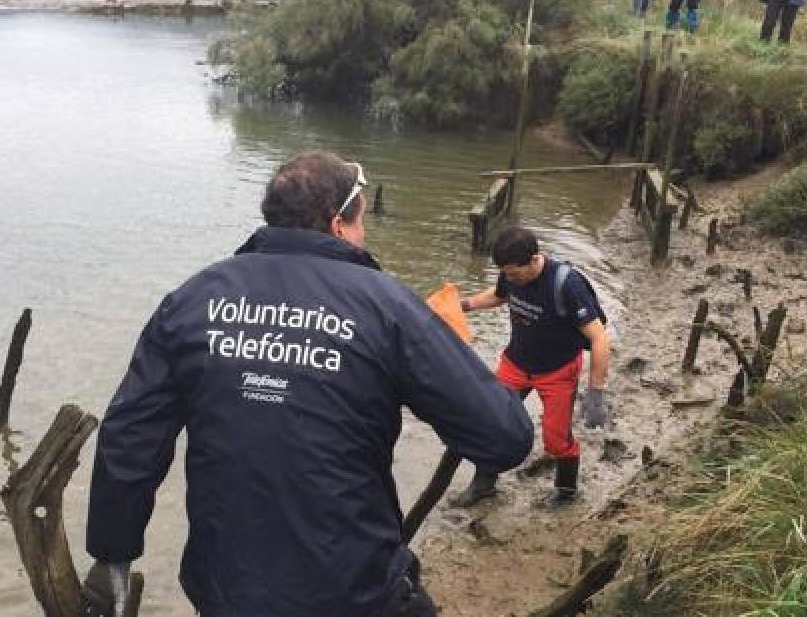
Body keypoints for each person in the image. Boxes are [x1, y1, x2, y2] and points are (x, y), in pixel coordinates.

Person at [85, 152, 534, 617]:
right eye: (362, 222)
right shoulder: (388, 307)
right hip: (354, 591)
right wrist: (447, 344)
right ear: (340, 225)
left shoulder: (194, 298)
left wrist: (112, 555)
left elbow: (130, 435)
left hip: (224, 590)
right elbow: (504, 437)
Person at [451, 227, 611, 509]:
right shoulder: (510, 272)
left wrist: (596, 392)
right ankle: (484, 484)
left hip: (557, 371)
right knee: (492, 420)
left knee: (556, 439)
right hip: (515, 363)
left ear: (535, 259)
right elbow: (499, 295)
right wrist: (463, 305)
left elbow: (599, 338)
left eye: (514, 274)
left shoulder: (567, 285)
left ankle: (566, 490)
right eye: (505, 273)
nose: (510, 279)